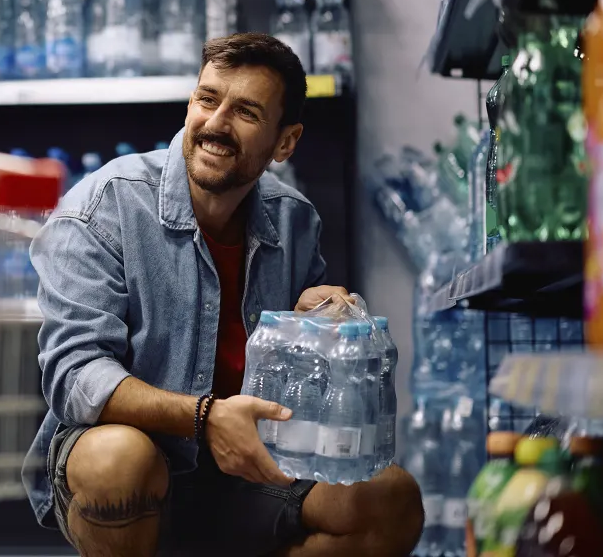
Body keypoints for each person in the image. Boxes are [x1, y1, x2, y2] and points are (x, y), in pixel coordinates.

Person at [22, 33, 424, 556]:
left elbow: (303, 391)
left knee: (392, 498)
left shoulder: (295, 221)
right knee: (117, 461)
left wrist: (318, 327)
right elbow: (74, 375)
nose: (215, 124)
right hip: (139, 467)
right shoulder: (104, 207)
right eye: (207, 99)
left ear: (285, 142)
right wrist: (204, 417)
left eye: (246, 112)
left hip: (249, 474)